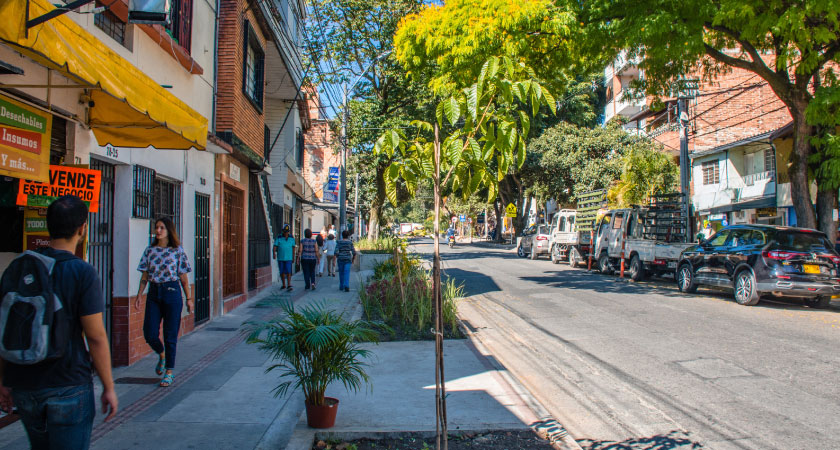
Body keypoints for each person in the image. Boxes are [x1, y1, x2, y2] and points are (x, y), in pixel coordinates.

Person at [0, 195, 118, 449]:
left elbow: (4, 326)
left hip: (24, 385)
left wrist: (3, 379)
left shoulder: (19, 267)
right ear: (82, 229)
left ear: (48, 226)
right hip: (68, 384)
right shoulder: (82, 271)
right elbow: (95, 336)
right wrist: (108, 386)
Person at [135, 217, 193, 388]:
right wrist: (139, 295)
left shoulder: (177, 251)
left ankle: (169, 371)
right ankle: (161, 354)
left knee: (170, 335)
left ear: (169, 230)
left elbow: (183, 277)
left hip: (172, 292)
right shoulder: (150, 250)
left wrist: (189, 299)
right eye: (156, 227)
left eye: (161, 228)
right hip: (154, 292)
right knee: (149, 332)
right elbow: (144, 276)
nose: (158, 230)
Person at [273, 224, 296, 291]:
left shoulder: (291, 238)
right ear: (283, 231)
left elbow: (293, 248)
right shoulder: (279, 237)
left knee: (289, 271)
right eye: (285, 231)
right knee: (282, 271)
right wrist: (274, 253)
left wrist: (293, 257)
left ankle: (289, 284)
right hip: (281, 258)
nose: (286, 233)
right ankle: (283, 284)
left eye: (287, 231)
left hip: (288, 258)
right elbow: (275, 246)